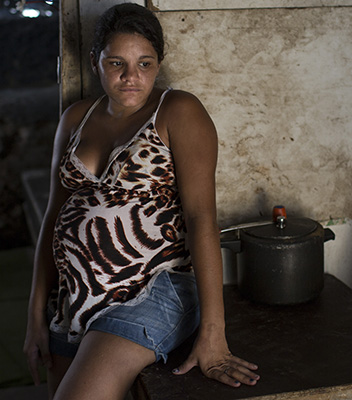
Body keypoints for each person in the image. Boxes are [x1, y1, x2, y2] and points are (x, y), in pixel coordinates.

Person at [23, 3, 259, 399]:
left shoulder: (178, 111)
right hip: (74, 298)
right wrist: (34, 317)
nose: (131, 76)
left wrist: (214, 335)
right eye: (117, 62)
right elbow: (53, 218)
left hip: (149, 293)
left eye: (145, 63)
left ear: (158, 63)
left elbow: (202, 219)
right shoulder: (75, 118)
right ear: (96, 61)